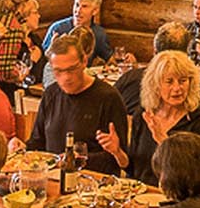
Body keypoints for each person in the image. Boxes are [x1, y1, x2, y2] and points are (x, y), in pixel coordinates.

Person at [24, 37, 131, 175]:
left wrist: (80, 160)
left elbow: (120, 160)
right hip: (53, 178)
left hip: (93, 182)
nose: (66, 77)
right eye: (58, 71)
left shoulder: (108, 97)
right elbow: (37, 143)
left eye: (71, 69)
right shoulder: (51, 93)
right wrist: (22, 149)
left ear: (84, 62)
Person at [128, 51, 200, 184]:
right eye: (169, 81)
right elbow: (134, 170)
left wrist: (163, 141)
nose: (177, 88)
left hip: (177, 198)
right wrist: (117, 152)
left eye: (182, 81)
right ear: (156, 85)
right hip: (141, 195)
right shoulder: (143, 115)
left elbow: (193, 177)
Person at [118, 21, 193, 118]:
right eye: (169, 81)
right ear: (186, 54)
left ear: (155, 52)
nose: (176, 88)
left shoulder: (130, 77)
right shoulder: (191, 87)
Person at [42, 0, 114, 63]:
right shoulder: (57, 29)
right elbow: (43, 60)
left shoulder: (98, 33)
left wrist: (126, 60)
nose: (78, 11)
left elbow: (110, 60)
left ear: (95, 11)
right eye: (77, 5)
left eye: (84, 6)